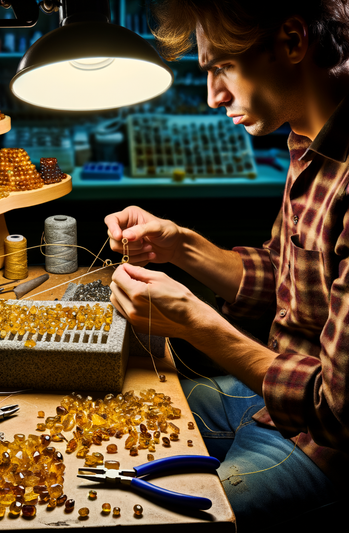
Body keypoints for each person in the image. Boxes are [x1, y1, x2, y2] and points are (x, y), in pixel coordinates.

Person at [104, 1, 349, 531]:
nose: (214, 96)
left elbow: (338, 410)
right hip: (272, 400)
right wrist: (182, 247)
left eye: (222, 67)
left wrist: (197, 324)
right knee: (111, 419)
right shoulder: (311, 139)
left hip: (329, 445)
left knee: (157, 521)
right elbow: (289, 275)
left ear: (291, 41)